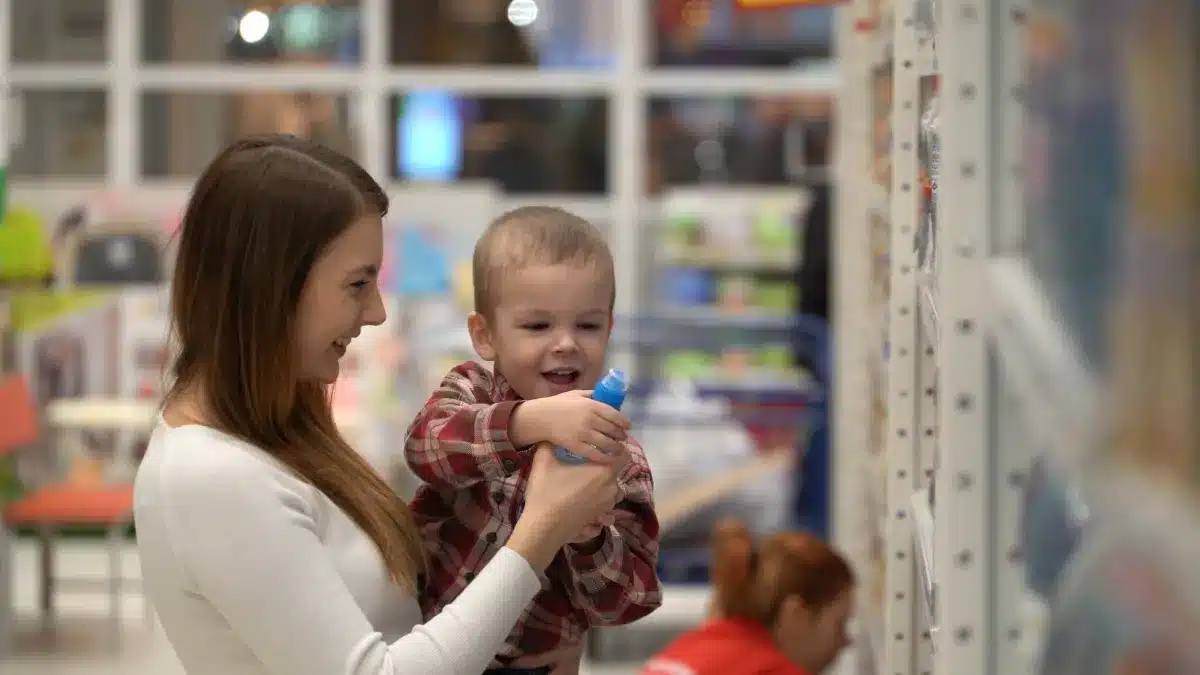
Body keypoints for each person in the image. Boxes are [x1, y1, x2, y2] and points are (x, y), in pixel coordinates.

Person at [132, 135, 625, 675]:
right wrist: (544, 525)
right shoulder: (211, 476)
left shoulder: (280, 433)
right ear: (271, 286)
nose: (377, 312)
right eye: (358, 284)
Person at [405, 206, 663, 674]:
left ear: (609, 329)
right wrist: (529, 421)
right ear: (486, 336)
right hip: (431, 652)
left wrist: (588, 537)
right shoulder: (471, 391)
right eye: (538, 326)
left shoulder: (617, 461)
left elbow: (630, 601)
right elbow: (425, 449)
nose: (566, 344)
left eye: (587, 325)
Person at [642, 520, 856, 675]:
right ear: (796, 615)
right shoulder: (769, 670)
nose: (847, 642)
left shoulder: (693, 645)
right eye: (839, 625)